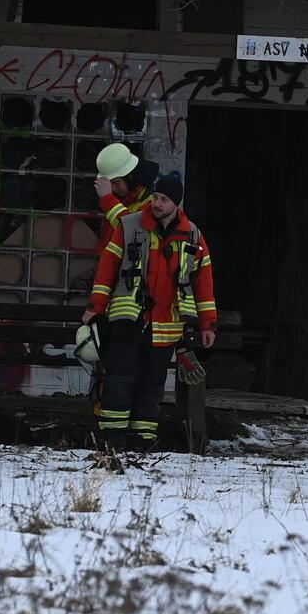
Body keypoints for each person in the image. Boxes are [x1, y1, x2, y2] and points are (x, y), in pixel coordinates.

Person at [84, 171, 217, 450]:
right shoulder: (129, 225)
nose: (156, 203)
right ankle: (112, 441)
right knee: (119, 381)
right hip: (127, 321)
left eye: (164, 199)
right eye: (155, 197)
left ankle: (142, 441)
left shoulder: (193, 235)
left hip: (166, 327)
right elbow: (107, 268)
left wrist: (208, 324)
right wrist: (95, 307)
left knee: (152, 387)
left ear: (176, 204)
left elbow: (203, 283)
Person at [92, 142, 156, 241]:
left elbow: (131, 234)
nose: (113, 188)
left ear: (130, 177)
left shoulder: (151, 204)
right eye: (109, 183)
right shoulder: (124, 197)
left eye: (116, 182)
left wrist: (108, 200)